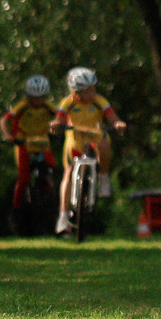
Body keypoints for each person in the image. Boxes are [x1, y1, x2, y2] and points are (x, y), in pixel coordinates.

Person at [48, 67, 127, 234]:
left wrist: (118, 124)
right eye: (87, 90)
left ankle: (103, 176)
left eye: (93, 88)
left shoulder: (99, 100)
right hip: (75, 138)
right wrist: (56, 125)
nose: (92, 92)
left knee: (105, 144)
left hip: (95, 135)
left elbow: (112, 117)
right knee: (68, 173)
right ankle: (63, 216)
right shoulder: (67, 102)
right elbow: (59, 119)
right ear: (76, 92)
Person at [0, 75, 59, 218]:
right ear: (29, 96)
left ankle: (48, 192)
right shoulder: (22, 106)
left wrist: (61, 128)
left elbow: (60, 117)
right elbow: (4, 120)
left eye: (41, 97)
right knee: (24, 178)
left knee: (51, 166)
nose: (38, 101)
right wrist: (8, 135)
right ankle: (17, 208)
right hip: (23, 142)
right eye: (34, 98)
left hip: (41, 142)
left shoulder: (48, 106)